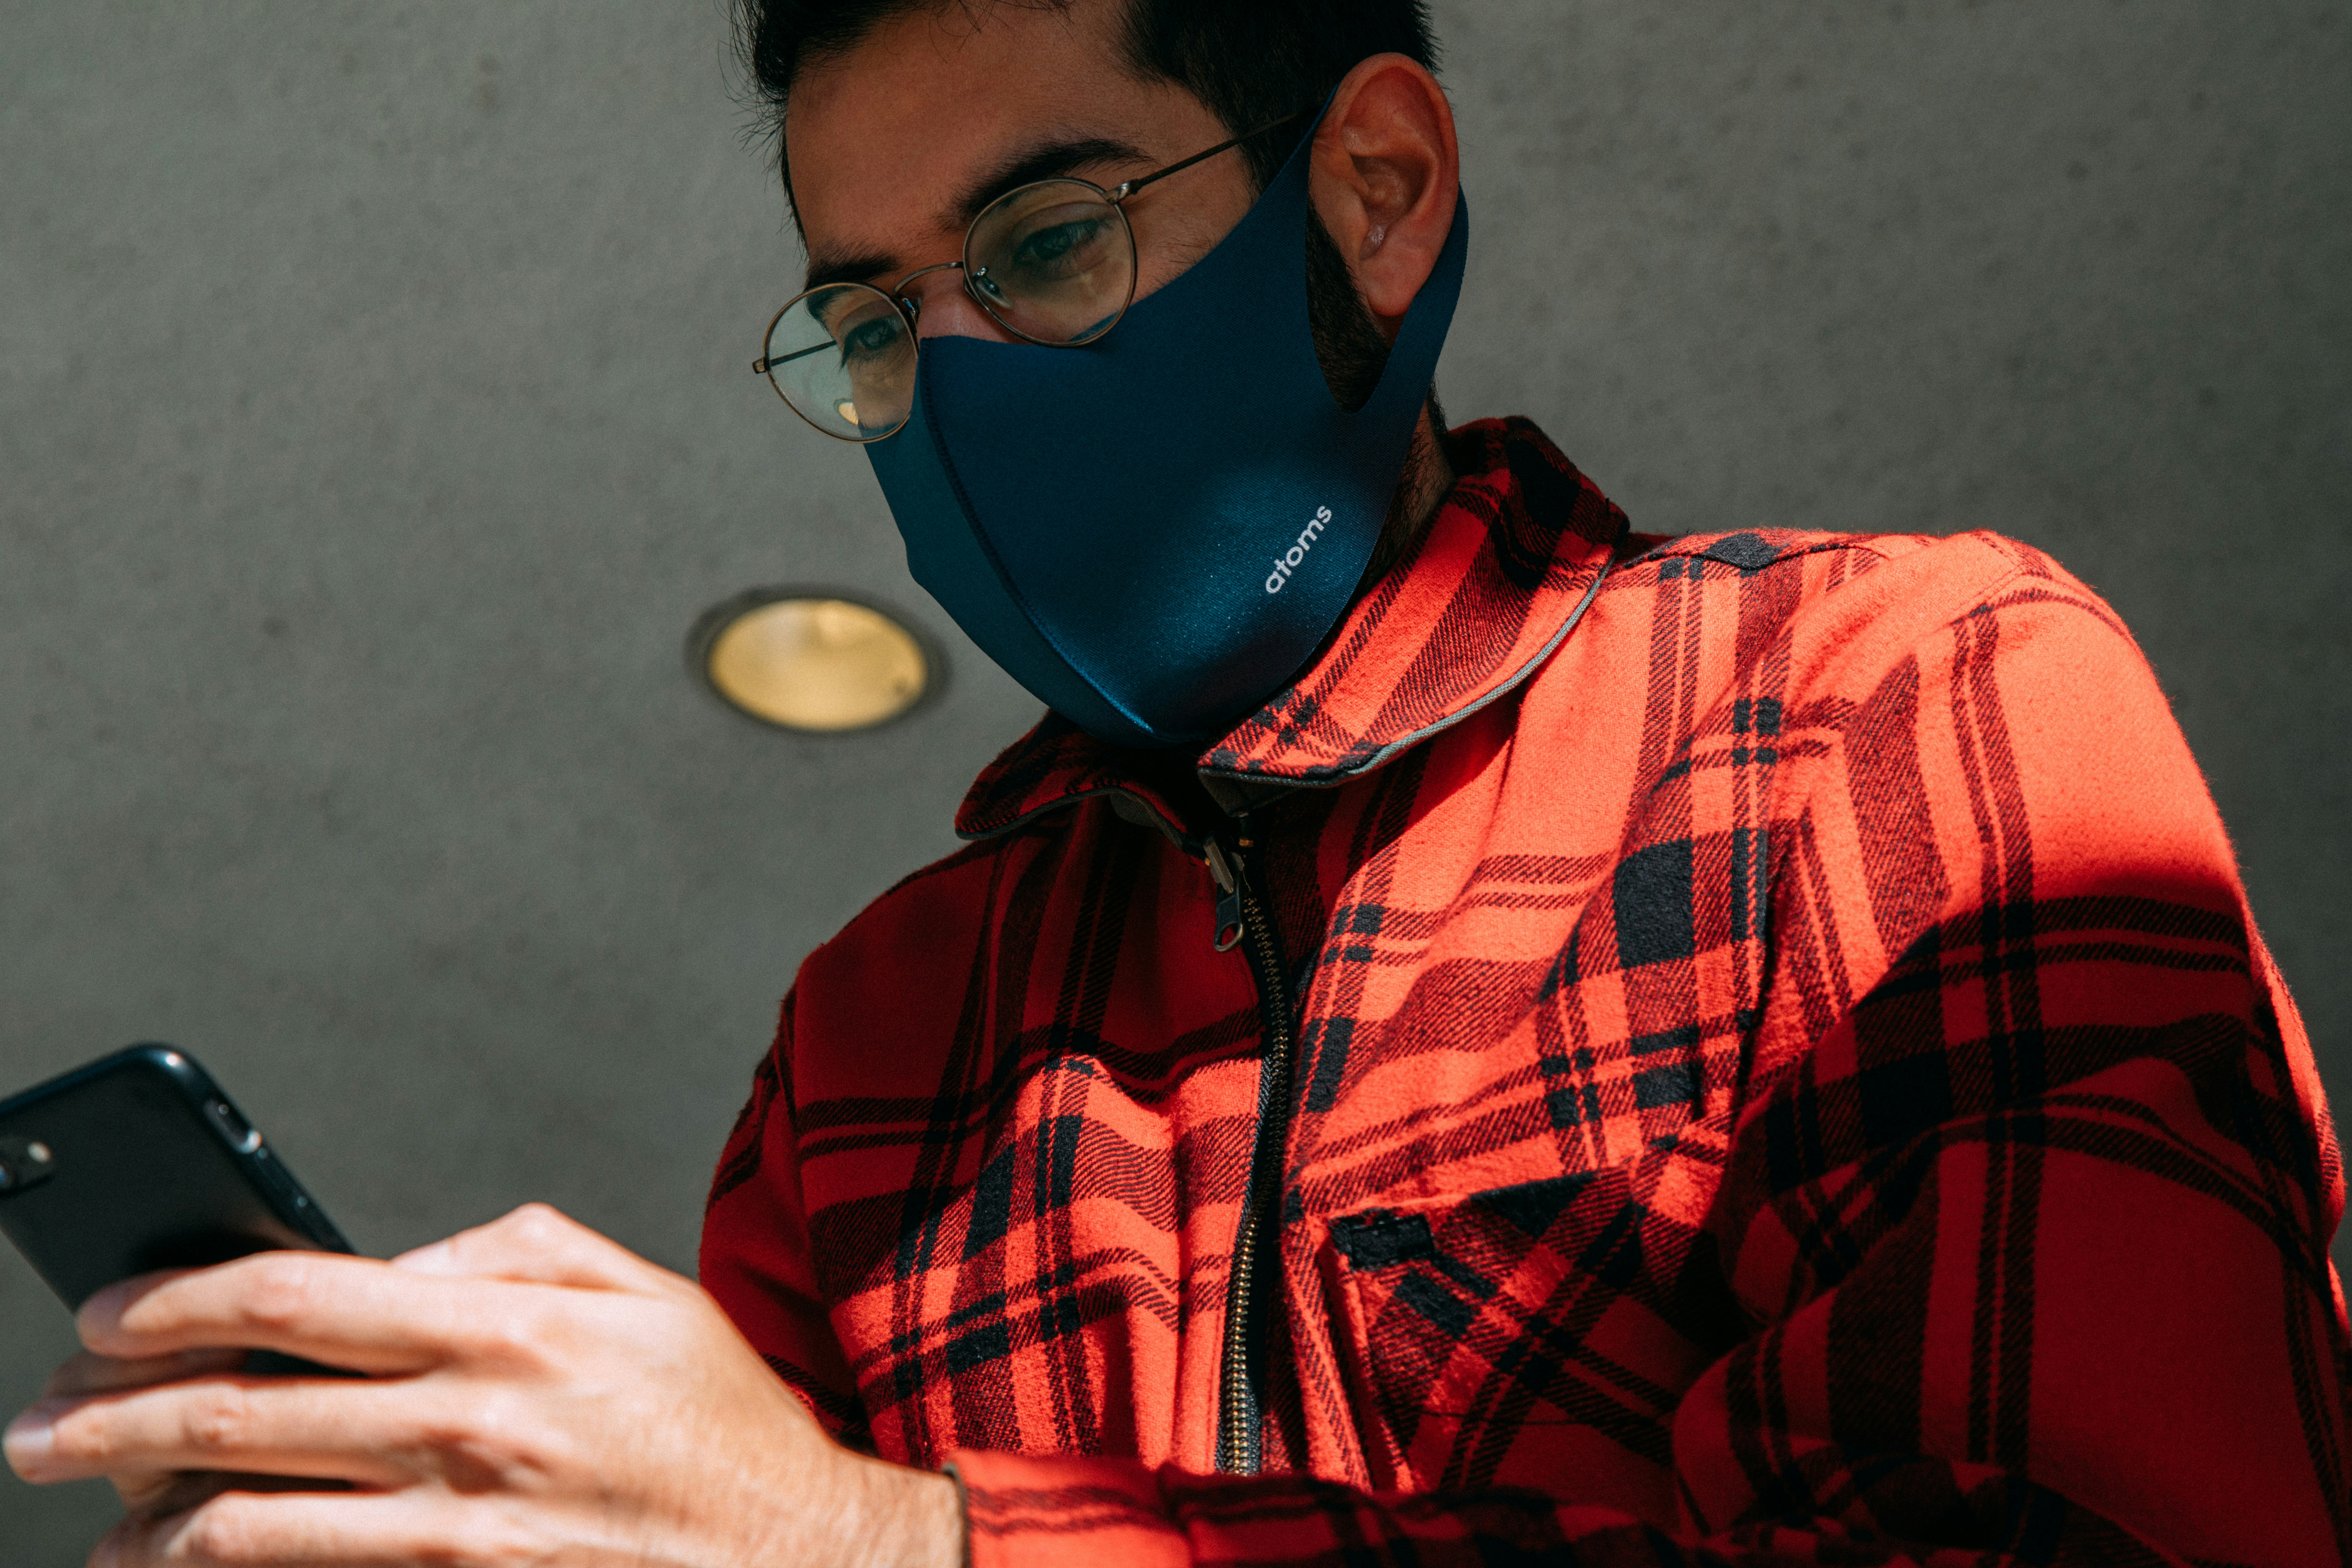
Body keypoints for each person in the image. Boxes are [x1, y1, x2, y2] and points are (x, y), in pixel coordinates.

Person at [8, 1, 2348, 1563]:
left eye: (1044, 241)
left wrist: (885, 1543)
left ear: (1377, 195)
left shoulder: (1873, 703)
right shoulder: (871, 1046)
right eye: (869, 318)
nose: (959, 386)